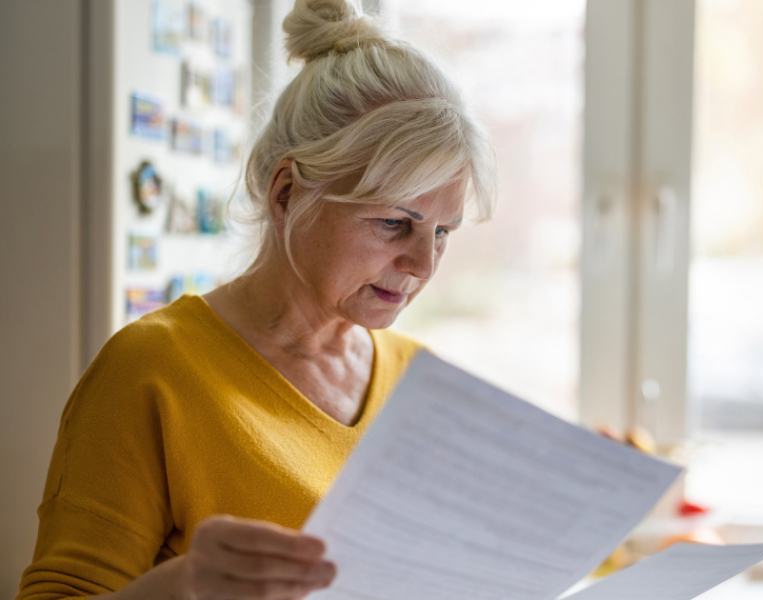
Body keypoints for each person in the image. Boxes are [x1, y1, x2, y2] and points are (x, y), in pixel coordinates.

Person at [17, 0, 497, 598]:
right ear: (288, 193)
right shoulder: (151, 371)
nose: (423, 265)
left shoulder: (419, 382)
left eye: (442, 232)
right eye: (395, 223)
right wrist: (184, 586)